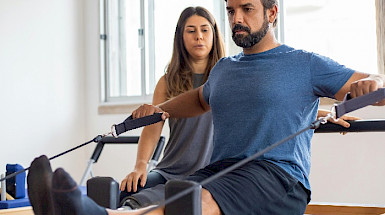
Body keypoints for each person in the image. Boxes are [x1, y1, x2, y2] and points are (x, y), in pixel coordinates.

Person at [27, 0, 384, 214]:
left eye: (247, 9)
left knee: (193, 201)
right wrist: (159, 109)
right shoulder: (225, 68)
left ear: (272, 13)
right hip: (222, 170)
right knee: (176, 196)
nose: (236, 19)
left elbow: (375, 84)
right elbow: (199, 100)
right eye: (230, 10)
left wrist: (373, 84)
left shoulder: (304, 63)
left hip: (278, 178)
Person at [117, 6, 225, 209]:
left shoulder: (228, 77)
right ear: (181, 37)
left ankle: (128, 210)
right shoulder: (167, 82)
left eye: (204, 30)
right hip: (170, 169)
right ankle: (124, 209)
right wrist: (140, 165)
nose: (199, 37)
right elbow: (152, 129)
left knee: (179, 196)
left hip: (211, 172)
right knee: (128, 189)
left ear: (214, 34)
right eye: (191, 31)